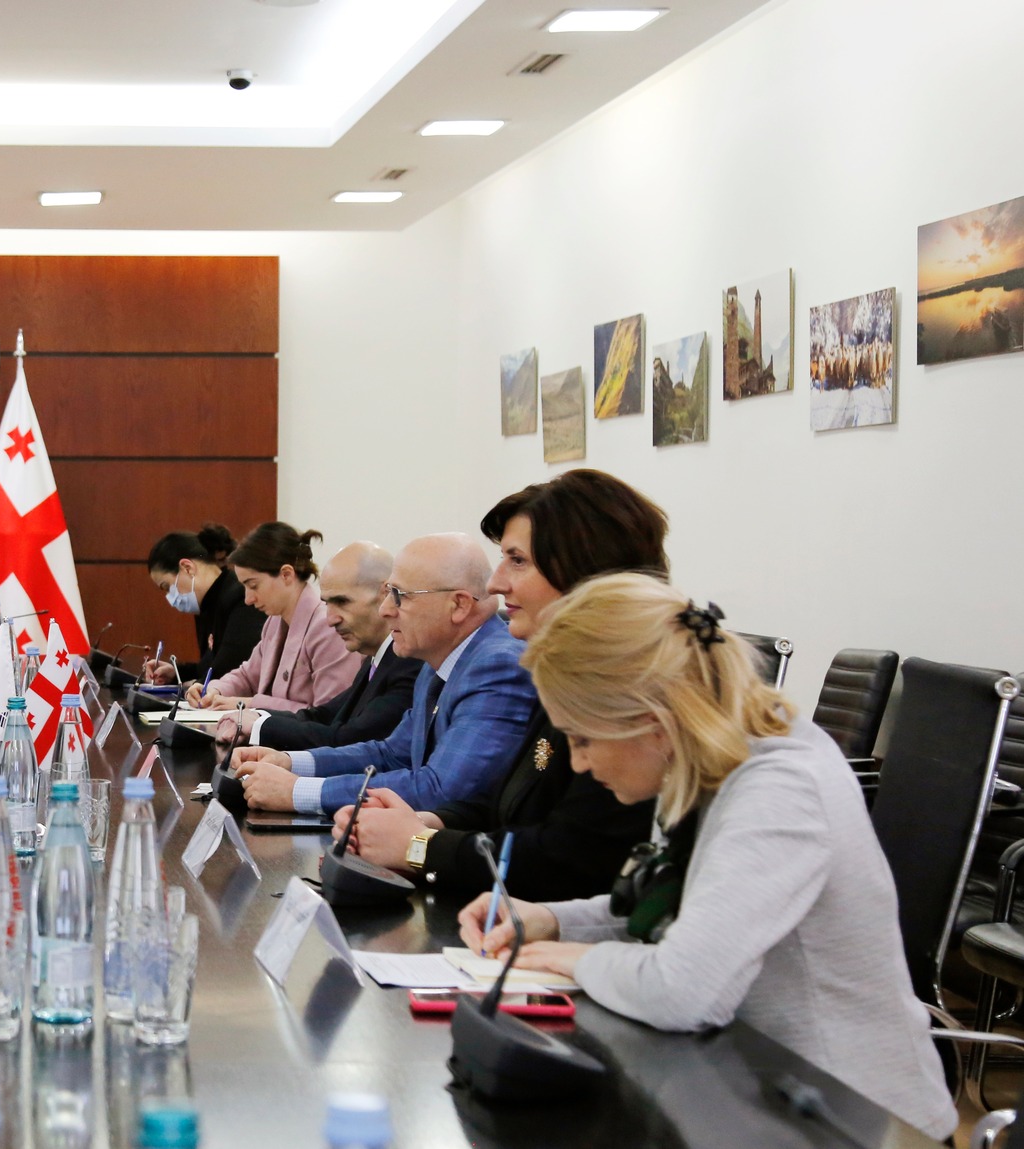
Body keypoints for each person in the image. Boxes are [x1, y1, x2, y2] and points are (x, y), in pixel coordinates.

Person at [458, 573, 955, 1140]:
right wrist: (551, 920)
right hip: (759, 1087)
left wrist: (571, 958)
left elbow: (683, 991)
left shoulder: (781, 788)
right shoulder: (701, 758)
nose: (577, 764)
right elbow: (672, 912)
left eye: (583, 738)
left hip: (851, 1119)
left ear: (652, 720)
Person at [334, 470, 665, 902]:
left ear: (582, 569)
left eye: (518, 561)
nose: (495, 583)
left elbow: (572, 858)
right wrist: (428, 823)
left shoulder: (632, 688)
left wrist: (418, 847)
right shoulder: (567, 670)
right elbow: (512, 801)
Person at [229, 533, 534, 814]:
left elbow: (440, 789)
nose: (385, 609)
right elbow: (391, 754)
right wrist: (290, 762)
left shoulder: (498, 667)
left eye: (400, 596)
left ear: (459, 605)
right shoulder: (437, 663)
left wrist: (298, 791)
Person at [213, 541, 423, 751]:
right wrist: (254, 718)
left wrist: (259, 725)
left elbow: (349, 740)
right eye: (328, 603)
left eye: (342, 602)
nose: (331, 619)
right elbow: (324, 715)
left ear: (386, 594)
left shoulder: (407, 664)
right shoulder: (377, 658)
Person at [185, 522, 360, 712]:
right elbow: (247, 675)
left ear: (286, 574)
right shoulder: (275, 622)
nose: (248, 599)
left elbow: (329, 714)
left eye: (253, 585)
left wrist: (252, 703)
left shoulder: (328, 627)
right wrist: (214, 690)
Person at [140, 524, 265, 685]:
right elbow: (209, 667)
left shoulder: (240, 597)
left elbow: (230, 670)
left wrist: (192, 686)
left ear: (187, 568)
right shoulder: (208, 604)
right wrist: (176, 673)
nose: (170, 598)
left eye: (167, 587)